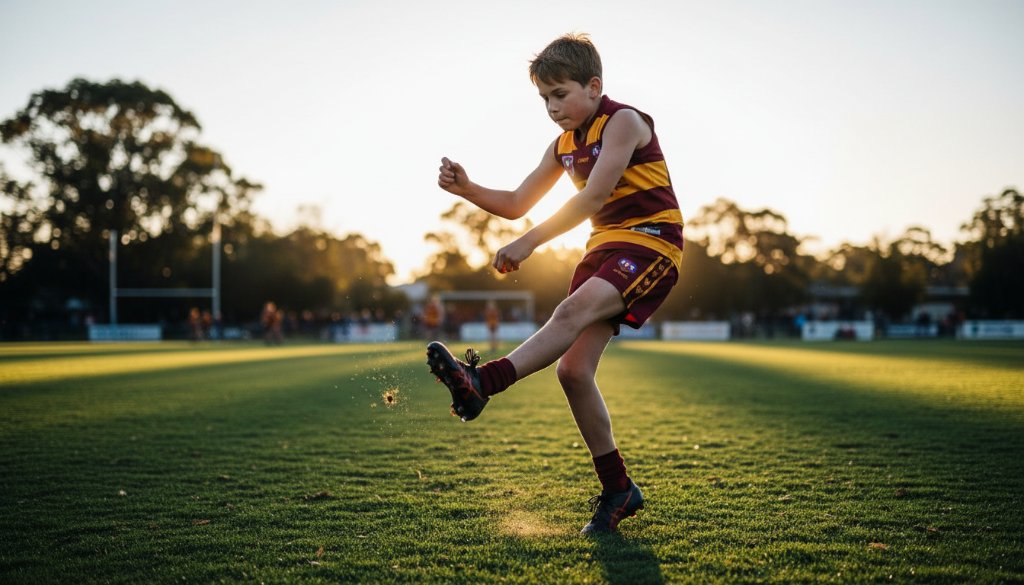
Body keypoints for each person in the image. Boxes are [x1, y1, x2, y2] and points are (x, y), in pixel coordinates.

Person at [427, 33, 683, 535]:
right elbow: (520, 200)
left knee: (566, 316)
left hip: (650, 242)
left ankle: (483, 382)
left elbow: (593, 197)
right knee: (571, 371)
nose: (551, 106)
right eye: (543, 98)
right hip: (603, 249)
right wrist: (469, 188)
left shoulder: (624, 121)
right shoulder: (563, 145)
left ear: (593, 86)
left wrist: (528, 244)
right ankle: (619, 490)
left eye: (559, 94)